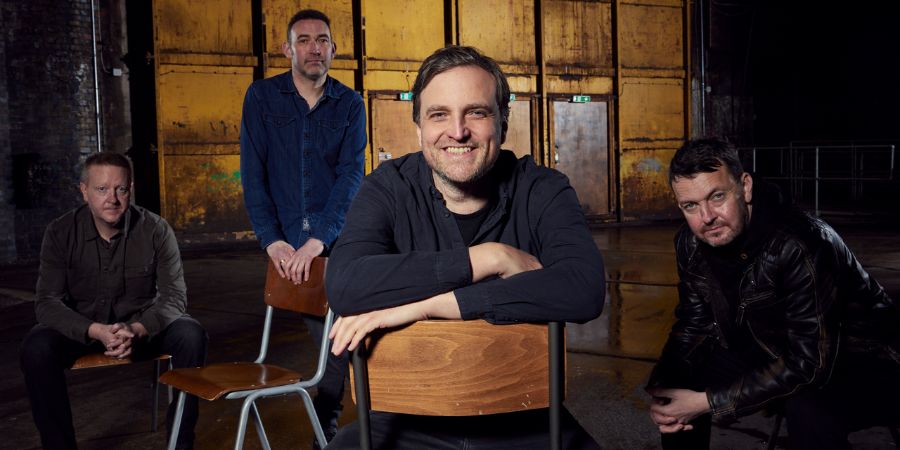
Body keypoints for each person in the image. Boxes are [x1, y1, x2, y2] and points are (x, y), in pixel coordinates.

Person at [323, 45, 606, 450]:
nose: (457, 131)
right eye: (439, 114)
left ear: (503, 124)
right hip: (406, 420)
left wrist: (424, 306)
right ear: (418, 127)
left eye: (477, 112)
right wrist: (489, 258)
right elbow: (345, 285)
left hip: (526, 420)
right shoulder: (387, 187)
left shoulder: (542, 189)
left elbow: (583, 288)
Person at [646, 138, 900, 449]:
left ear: (746, 187)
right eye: (690, 205)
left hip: (864, 363)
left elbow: (810, 364)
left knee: (808, 410)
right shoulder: (689, 244)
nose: (707, 216)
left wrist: (708, 402)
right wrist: (663, 385)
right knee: (679, 386)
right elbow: (694, 325)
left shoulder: (803, 243)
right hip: (777, 351)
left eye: (717, 196)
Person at [19, 152, 208, 450]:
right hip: (84, 330)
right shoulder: (60, 232)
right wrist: (96, 330)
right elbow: (47, 303)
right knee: (36, 346)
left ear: (130, 189)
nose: (113, 199)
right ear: (84, 191)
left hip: (139, 330)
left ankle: (180, 444)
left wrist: (137, 329)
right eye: (102, 189)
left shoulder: (156, 230)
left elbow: (174, 296)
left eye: (120, 189)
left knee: (191, 333)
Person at [238, 8, 366, 445]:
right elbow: (253, 176)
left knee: (353, 343)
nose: (315, 47)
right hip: (290, 253)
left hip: (343, 244)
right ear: (287, 49)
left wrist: (319, 240)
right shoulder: (261, 98)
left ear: (333, 47)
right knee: (340, 346)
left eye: (323, 39)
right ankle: (331, 432)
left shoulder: (350, 104)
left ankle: (340, 432)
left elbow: (351, 179)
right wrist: (272, 240)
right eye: (305, 39)